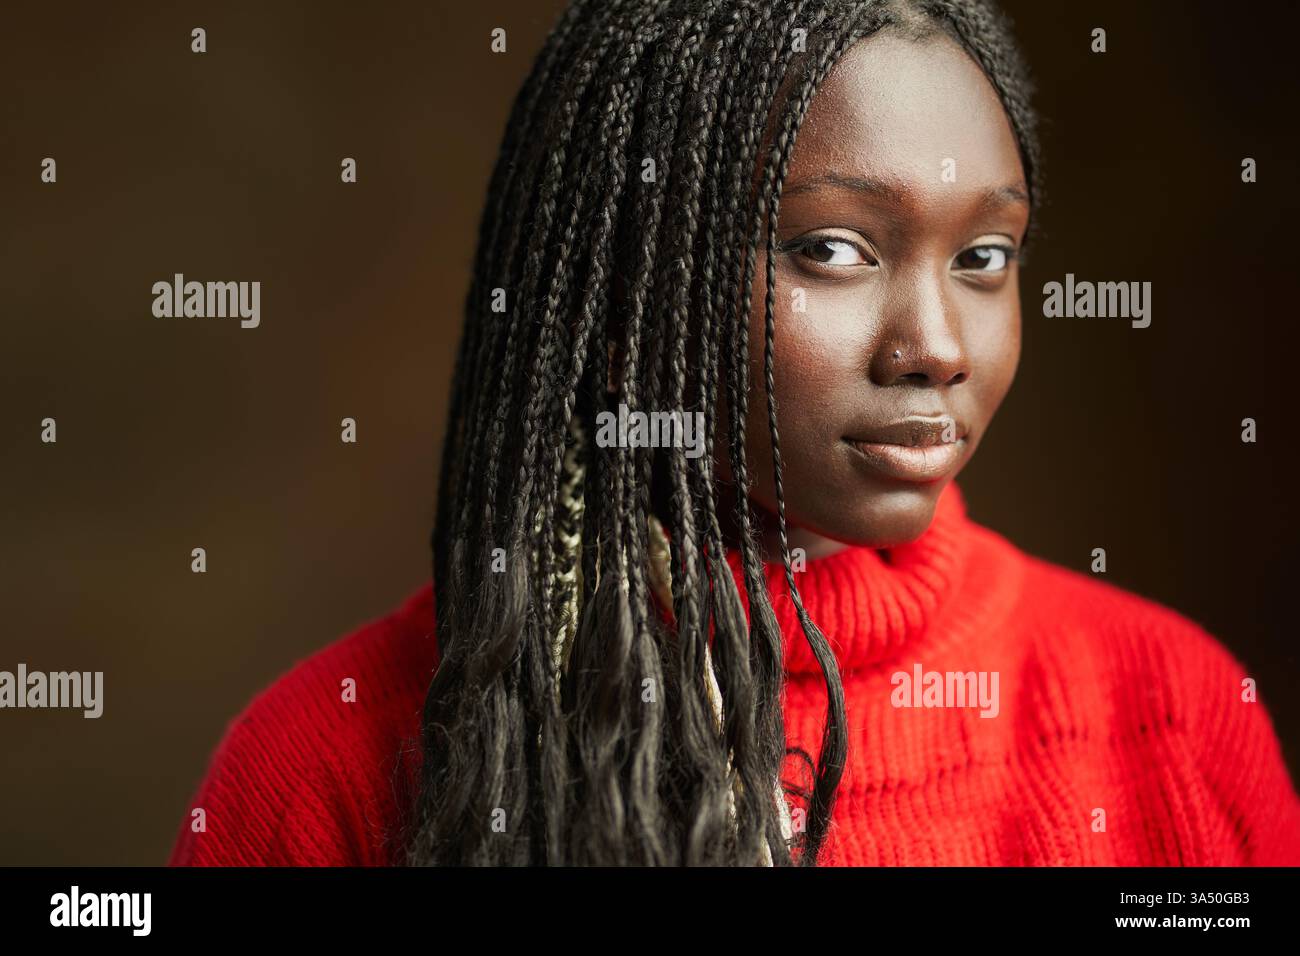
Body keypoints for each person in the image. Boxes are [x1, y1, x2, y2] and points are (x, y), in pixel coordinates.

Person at [169, 0, 1300, 867]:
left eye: (983, 257)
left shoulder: (1172, 711)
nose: (935, 344)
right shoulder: (330, 761)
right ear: (623, 297)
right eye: (833, 248)